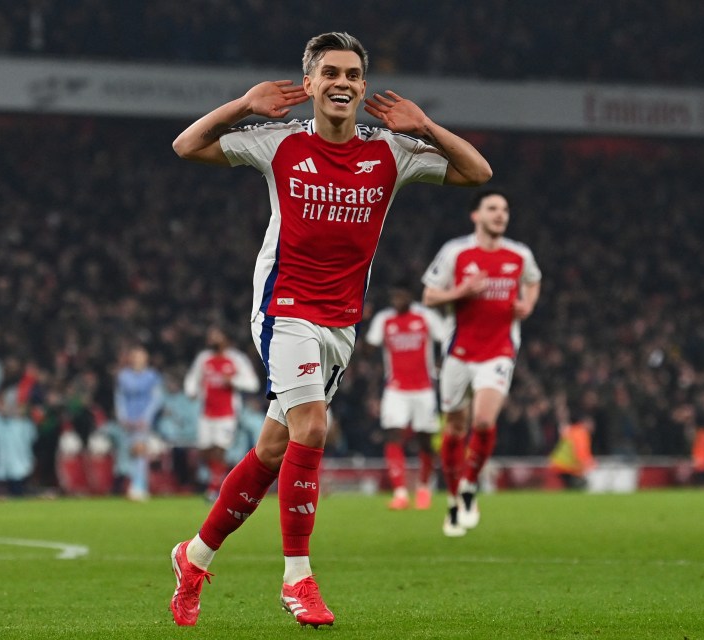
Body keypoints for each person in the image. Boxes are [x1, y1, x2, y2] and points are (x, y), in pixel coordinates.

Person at [168, 31, 491, 628]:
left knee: (273, 447)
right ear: (310, 84)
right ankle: (298, 579)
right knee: (313, 427)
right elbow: (187, 145)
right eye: (330, 73)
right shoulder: (280, 142)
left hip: (340, 321)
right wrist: (243, 105)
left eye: (352, 75)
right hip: (283, 306)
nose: (342, 83)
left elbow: (478, 171)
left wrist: (426, 127)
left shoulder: (390, 151)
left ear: (362, 87)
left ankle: (194, 555)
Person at [421, 190, 541, 537]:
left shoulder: (519, 254)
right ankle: (454, 497)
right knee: (455, 429)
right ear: (476, 215)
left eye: (504, 209)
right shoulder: (456, 252)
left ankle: (471, 485)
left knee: (484, 421)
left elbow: (533, 281)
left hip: (500, 349)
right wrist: (460, 292)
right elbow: (429, 294)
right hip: (459, 352)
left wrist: (527, 305)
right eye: (492, 208)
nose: (500, 214)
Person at [365, 283, 449, 511]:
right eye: (394, 296)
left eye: (401, 294)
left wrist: (442, 363)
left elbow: (446, 340)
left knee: (424, 439)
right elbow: (368, 349)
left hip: (424, 388)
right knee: (392, 435)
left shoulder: (426, 317)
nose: (397, 299)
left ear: (411, 296)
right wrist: (362, 321)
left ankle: (423, 488)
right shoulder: (384, 320)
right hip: (395, 389)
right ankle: (400, 493)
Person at [184, 326, 260, 501]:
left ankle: (214, 489)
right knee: (205, 451)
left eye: (216, 335)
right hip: (206, 412)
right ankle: (219, 483)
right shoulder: (204, 358)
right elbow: (193, 378)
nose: (212, 339)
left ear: (225, 338)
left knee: (220, 450)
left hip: (228, 413)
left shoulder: (237, 359)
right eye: (210, 336)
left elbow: (252, 383)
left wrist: (233, 381)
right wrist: (191, 390)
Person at [114, 345, 163, 501]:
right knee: (129, 453)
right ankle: (134, 484)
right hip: (128, 420)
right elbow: (119, 398)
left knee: (140, 450)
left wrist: (146, 418)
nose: (137, 360)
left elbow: (156, 399)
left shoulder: (152, 376)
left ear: (146, 359)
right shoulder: (123, 376)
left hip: (143, 421)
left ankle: (139, 486)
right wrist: (122, 417)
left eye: (140, 356)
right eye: (134, 356)